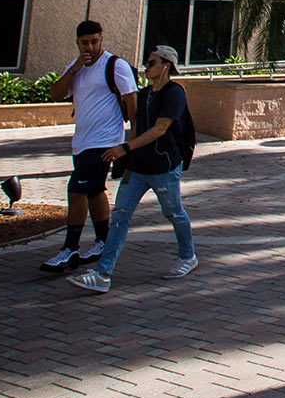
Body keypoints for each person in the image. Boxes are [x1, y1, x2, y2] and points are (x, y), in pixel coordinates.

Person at [66, 45, 196, 294]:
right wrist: (128, 155)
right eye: (147, 63)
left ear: (165, 66)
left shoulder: (174, 93)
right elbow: (137, 125)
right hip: (137, 168)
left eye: (151, 63)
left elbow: (160, 129)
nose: (146, 67)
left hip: (164, 168)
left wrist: (125, 148)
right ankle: (103, 273)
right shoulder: (145, 94)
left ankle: (188, 256)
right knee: (120, 217)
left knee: (174, 213)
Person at [40, 19, 137, 273]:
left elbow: (132, 102)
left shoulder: (116, 66)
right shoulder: (76, 68)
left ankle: (69, 248)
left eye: (94, 42)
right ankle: (104, 242)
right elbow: (56, 94)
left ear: (101, 40)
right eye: (85, 43)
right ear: (77, 42)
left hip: (105, 142)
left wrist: (132, 143)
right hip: (81, 143)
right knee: (95, 191)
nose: (90, 47)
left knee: (76, 189)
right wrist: (74, 69)